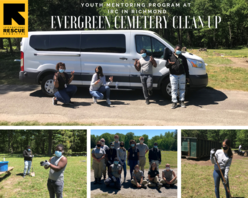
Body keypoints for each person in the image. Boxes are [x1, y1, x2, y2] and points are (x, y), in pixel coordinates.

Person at [166, 45, 189, 109]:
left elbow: (186, 68)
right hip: (173, 75)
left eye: (179, 49)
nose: (178, 50)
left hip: (182, 75)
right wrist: (169, 64)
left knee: (182, 89)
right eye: (177, 49)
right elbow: (166, 65)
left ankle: (182, 101)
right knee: (174, 89)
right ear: (175, 49)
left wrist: (187, 76)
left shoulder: (183, 58)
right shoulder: (170, 57)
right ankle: (174, 102)